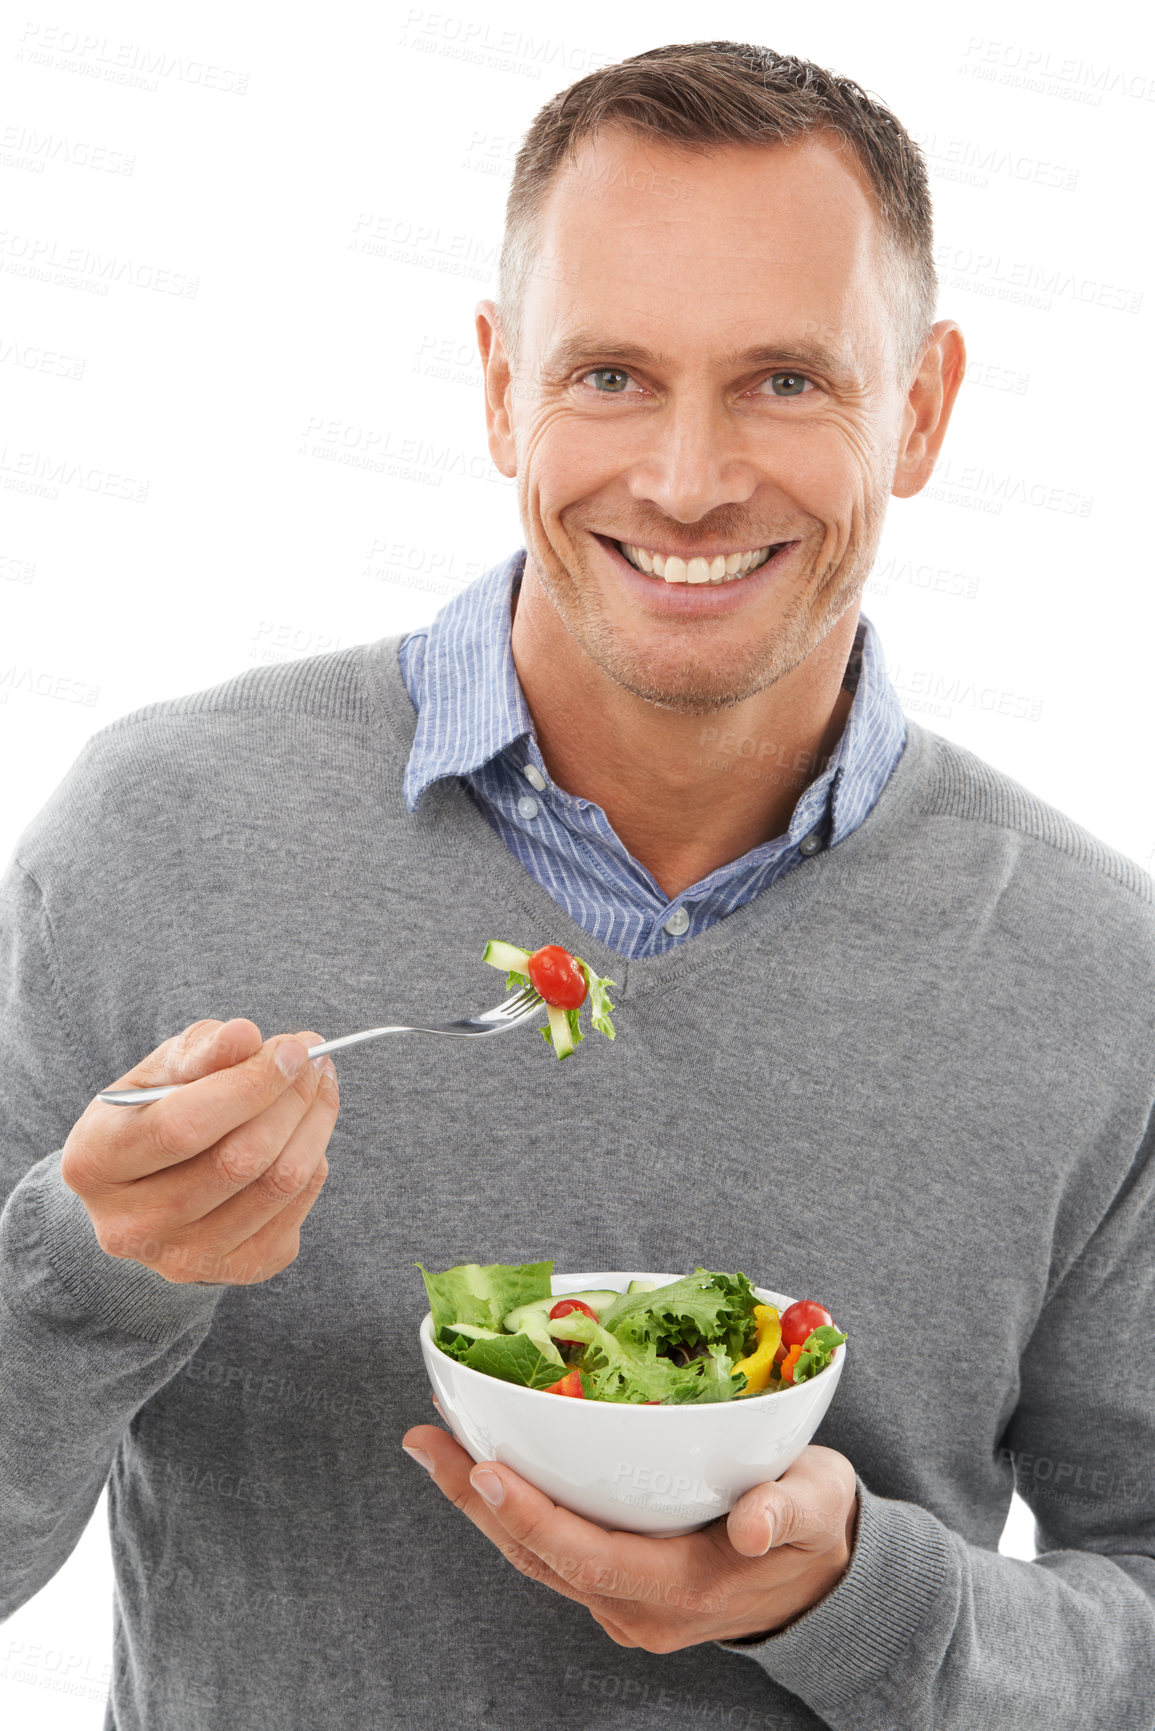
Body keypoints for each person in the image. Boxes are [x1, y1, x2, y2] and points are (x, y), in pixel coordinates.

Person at [1, 38, 1152, 1731]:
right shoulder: (160, 836)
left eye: (786, 381)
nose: (686, 480)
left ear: (919, 409)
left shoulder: (1095, 974)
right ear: (494, 386)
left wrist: (860, 1601)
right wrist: (85, 1275)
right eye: (609, 376)